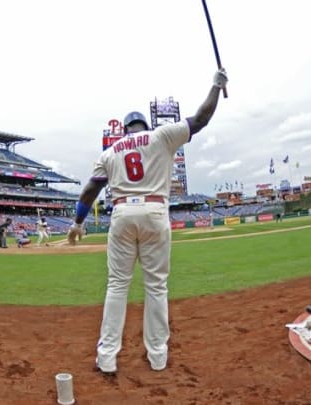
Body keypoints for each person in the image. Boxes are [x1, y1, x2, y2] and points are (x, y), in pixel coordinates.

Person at [67, 68, 228, 375]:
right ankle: (157, 357)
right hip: (155, 212)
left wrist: (77, 223)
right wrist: (216, 86)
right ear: (144, 124)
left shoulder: (111, 151)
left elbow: (90, 190)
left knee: (117, 286)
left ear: (125, 129)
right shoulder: (161, 135)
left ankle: (107, 358)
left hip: (122, 213)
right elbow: (201, 118)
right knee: (156, 287)